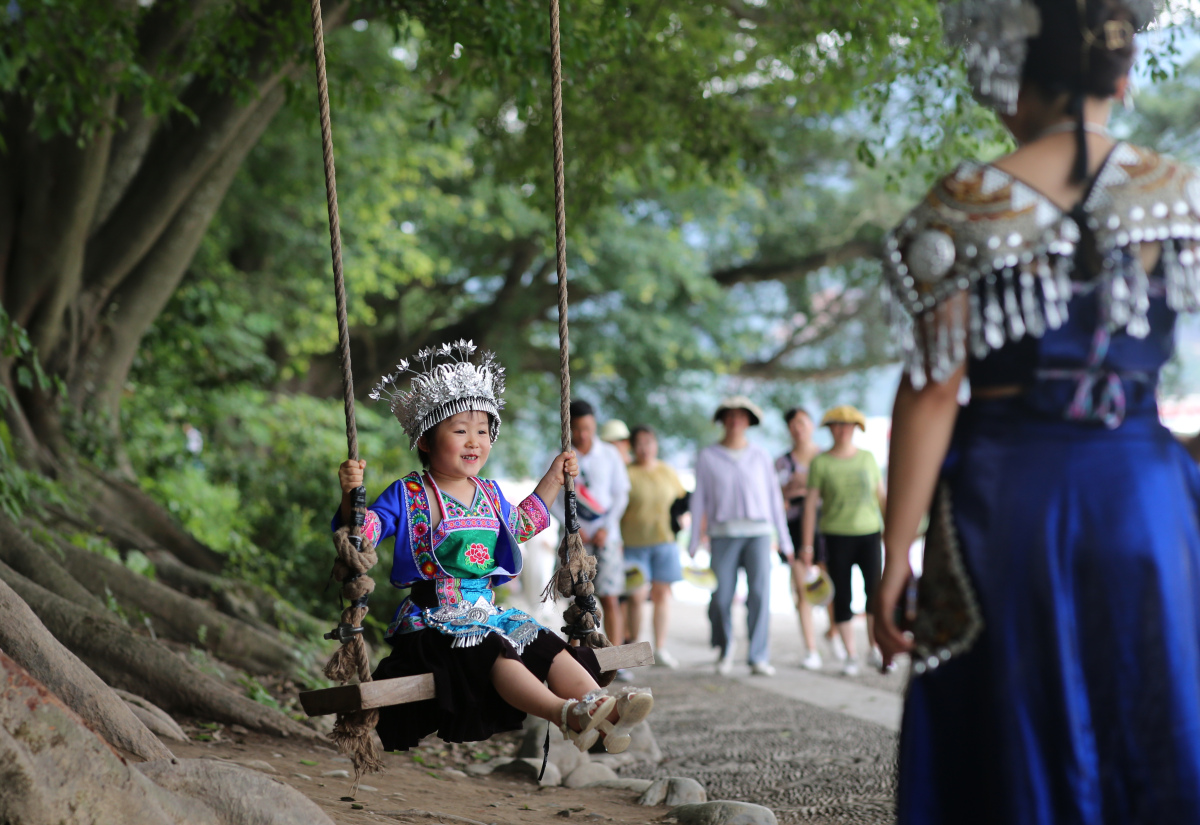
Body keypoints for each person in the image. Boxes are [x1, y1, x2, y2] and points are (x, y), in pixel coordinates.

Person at [870, 0, 1200, 820]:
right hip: (1144, 496)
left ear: (1016, 79)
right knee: (1152, 701)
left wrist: (896, 555)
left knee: (1005, 719)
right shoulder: (1179, 195)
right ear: (1121, 78)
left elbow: (935, 387)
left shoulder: (967, 204)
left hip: (1002, 500)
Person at [333, 342, 652, 754]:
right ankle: (566, 715)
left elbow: (522, 524)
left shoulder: (489, 492)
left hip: (487, 613)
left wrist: (554, 477)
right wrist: (350, 495)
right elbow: (360, 536)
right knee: (490, 645)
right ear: (427, 441)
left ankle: (599, 706)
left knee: (536, 637)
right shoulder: (408, 493)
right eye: (460, 430)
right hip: (433, 622)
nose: (474, 441)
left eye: (483, 430)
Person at [690, 396, 793, 676]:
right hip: (723, 534)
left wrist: (785, 540)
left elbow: (774, 498)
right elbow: (699, 499)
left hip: (758, 533)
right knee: (721, 596)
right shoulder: (708, 456)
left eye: (741, 416)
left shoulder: (760, 455)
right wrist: (693, 540)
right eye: (730, 415)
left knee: (759, 594)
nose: (735, 421)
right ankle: (725, 648)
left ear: (748, 422)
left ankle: (758, 656)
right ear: (723, 421)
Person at [803, 405, 885, 677]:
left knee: (874, 592)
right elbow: (811, 504)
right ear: (829, 429)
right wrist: (807, 545)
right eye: (836, 424)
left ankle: (875, 647)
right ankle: (851, 654)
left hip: (869, 533)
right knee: (842, 597)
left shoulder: (868, 459)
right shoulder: (821, 462)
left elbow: (880, 496)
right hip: (836, 535)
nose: (842, 429)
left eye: (847, 425)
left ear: (855, 429)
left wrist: (897, 530)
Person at [551, 400, 630, 647]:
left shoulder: (610, 454)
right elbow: (551, 500)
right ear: (568, 428)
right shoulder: (558, 458)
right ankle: (575, 658)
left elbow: (621, 494)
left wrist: (607, 527)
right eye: (577, 429)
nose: (583, 434)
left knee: (610, 597)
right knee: (577, 601)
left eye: (588, 428)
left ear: (595, 424)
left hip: (608, 537)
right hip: (577, 540)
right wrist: (574, 528)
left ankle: (614, 660)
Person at [621, 425, 688, 668]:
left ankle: (660, 648)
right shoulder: (627, 472)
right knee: (636, 595)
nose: (644, 448)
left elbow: (681, 500)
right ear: (632, 446)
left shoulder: (667, 472)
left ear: (655, 444)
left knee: (662, 594)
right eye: (639, 443)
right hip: (633, 544)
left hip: (665, 541)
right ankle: (634, 646)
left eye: (649, 442)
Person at [775, 408, 824, 670]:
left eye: (802, 423)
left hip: (825, 524)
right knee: (801, 588)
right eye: (793, 424)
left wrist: (801, 487)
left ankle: (834, 633)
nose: (798, 428)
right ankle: (811, 648)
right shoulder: (782, 462)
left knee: (829, 584)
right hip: (793, 526)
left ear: (812, 425)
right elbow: (777, 496)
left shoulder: (825, 457)